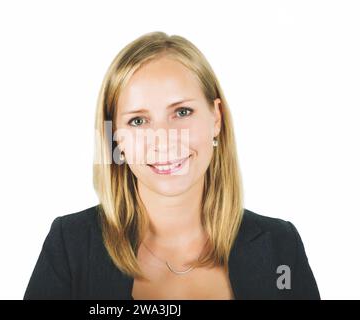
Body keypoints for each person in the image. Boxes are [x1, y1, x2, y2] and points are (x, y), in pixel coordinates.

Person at [23, 31, 320, 300]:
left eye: (182, 112)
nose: (163, 140)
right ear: (116, 138)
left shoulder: (280, 246)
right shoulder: (71, 247)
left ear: (216, 118)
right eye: (138, 120)